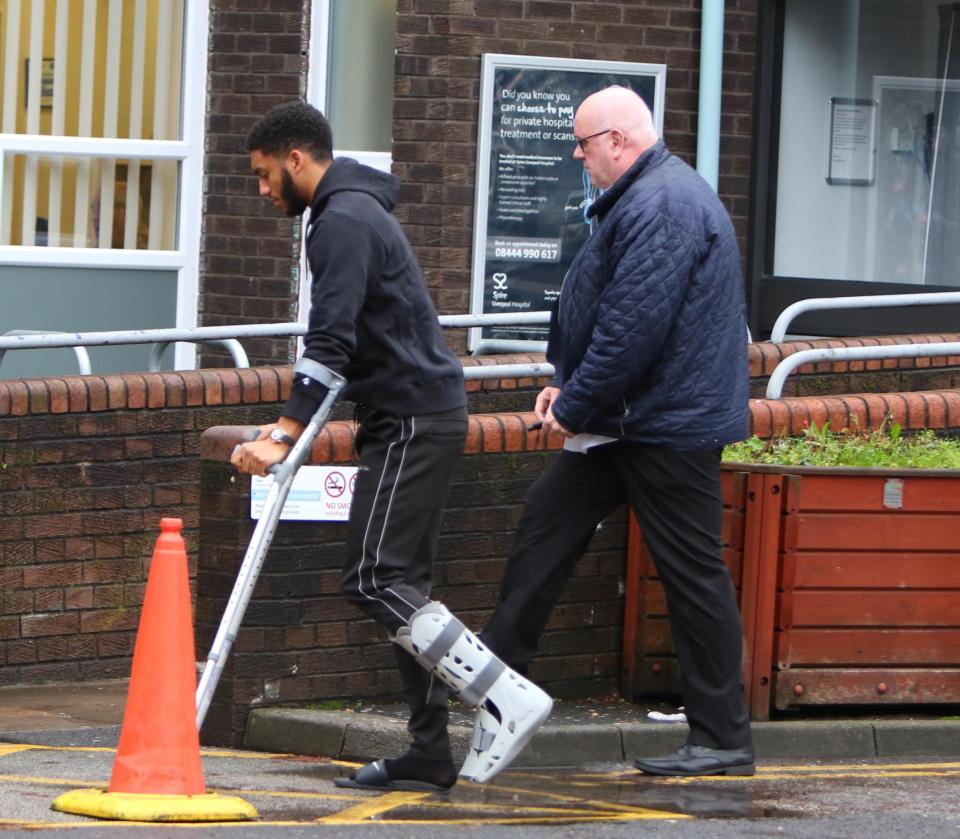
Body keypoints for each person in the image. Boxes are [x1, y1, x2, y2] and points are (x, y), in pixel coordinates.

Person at [231, 101, 551, 791]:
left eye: (263, 176)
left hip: (411, 417)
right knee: (405, 587)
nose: (261, 192)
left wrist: (286, 431)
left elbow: (331, 339)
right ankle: (430, 749)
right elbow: (345, 343)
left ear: (296, 158)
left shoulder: (341, 221)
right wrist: (285, 420)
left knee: (375, 578)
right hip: (415, 412)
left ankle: (506, 694)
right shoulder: (349, 213)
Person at [480, 86, 755, 777]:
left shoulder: (662, 203)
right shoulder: (649, 195)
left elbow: (634, 328)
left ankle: (722, 737)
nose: (577, 155)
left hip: (663, 426)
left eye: (582, 142)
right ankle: (492, 686)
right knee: (547, 520)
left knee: (693, 576)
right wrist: (570, 382)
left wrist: (574, 404)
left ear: (618, 141)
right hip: (629, 420)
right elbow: (616, 313)